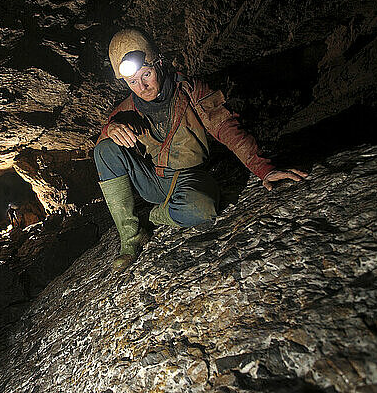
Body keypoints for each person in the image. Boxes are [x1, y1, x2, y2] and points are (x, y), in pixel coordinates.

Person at [93, 28, 307, 271]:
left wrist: (264, 169)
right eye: (132, 82)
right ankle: (131, 239)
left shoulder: (191, 91)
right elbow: (104, 145)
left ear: (159, 63)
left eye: (146, 75)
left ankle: (152, 217)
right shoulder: (127, 109)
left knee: (202, 210)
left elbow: (226, 127)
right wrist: (110, 129)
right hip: (153, 180)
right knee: (104, 149)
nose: (142, 86)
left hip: (189, 177)